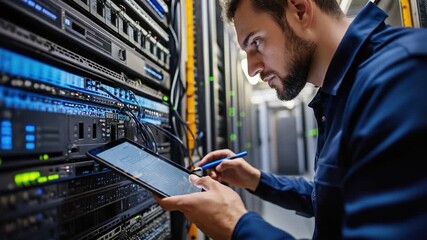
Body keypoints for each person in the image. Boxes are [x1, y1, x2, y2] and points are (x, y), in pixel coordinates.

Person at [157, 0, 427, 239]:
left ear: (299, 10)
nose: (252, 69)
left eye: (256, 42)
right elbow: (335, 200)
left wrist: (236, 226)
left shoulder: (402, 76)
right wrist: (256, 180)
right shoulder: (341, 92)